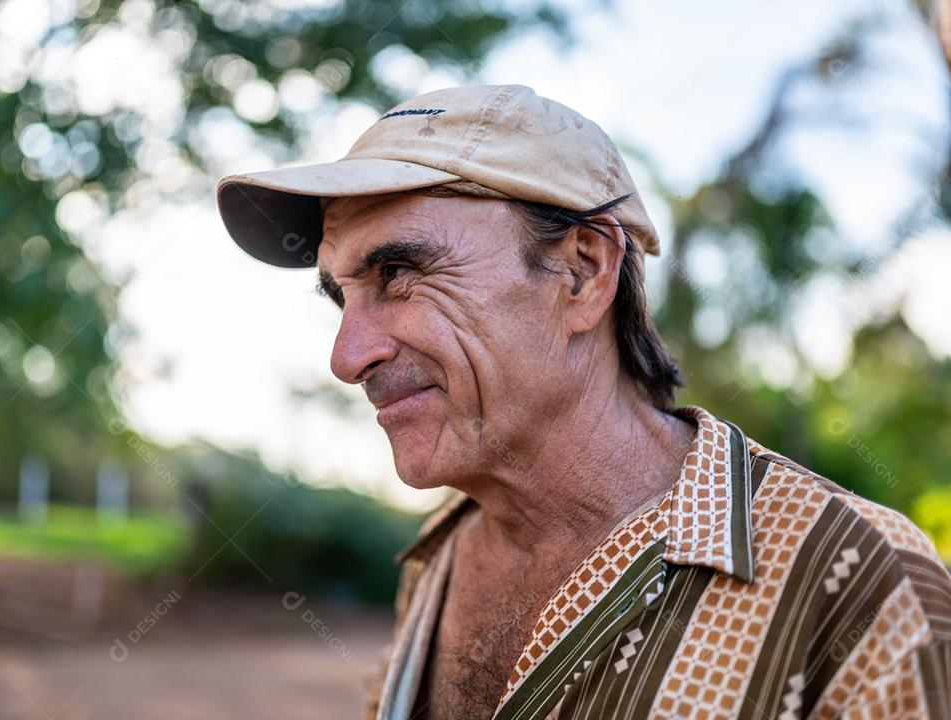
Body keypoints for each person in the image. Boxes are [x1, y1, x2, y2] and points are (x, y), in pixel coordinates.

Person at [215, 84, 951, 720]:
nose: (348, 357)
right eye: (341, 296)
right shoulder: (438, 558)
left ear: (583, 272)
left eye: (400, 272)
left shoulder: (860, 586)